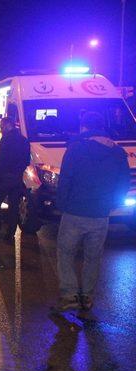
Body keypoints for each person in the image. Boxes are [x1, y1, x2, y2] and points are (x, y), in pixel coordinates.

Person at [54, 111, 131, 312]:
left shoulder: (76, 149)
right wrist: (112, 204)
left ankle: (69, 295)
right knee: (93, 257)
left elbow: (66, 180)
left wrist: (62, 204)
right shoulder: (117, 152)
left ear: (84, 127)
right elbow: (124, 183)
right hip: (100, 214)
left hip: (74, 212)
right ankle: (87, 296)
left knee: (65, 253)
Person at [0, 117, 30, 241]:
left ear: (7, 125)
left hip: (4, 178)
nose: (0, 128)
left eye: (1, 126)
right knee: (13, 206)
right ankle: (10, 234)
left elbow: (1, 159)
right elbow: (26, 160)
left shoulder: (6, 140)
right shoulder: (24, 140)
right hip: (17, 179)